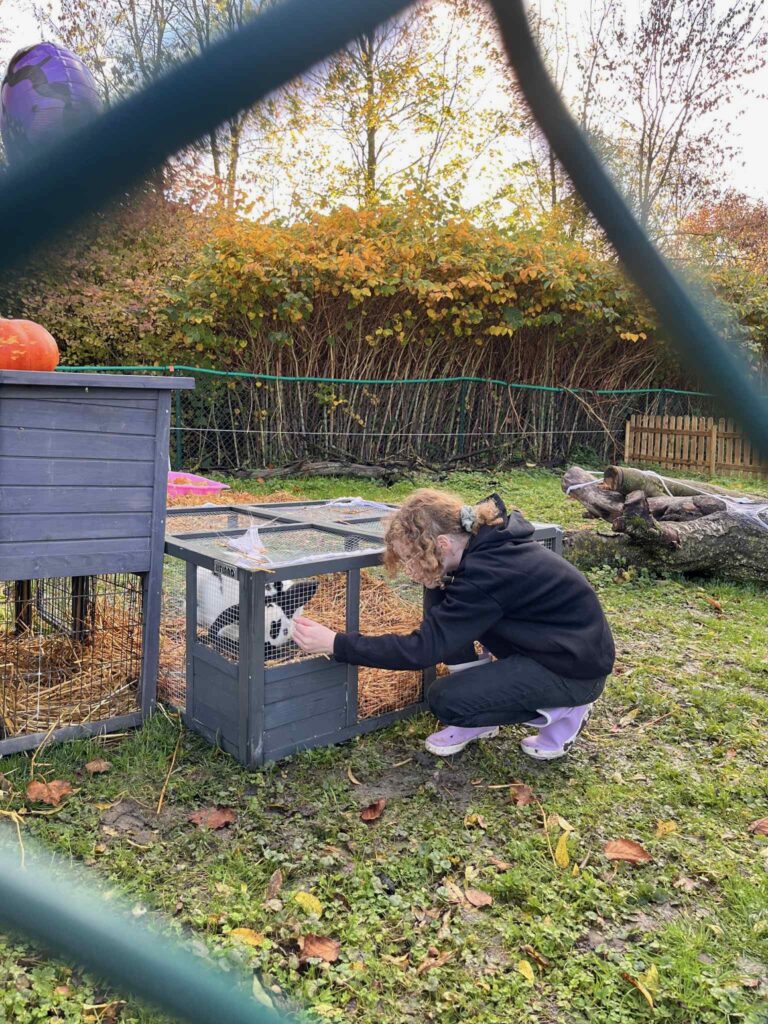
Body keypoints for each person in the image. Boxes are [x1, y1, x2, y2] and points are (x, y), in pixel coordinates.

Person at [292, 489, 614, 760]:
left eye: (411, 558)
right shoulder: (483, 545)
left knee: (446, 699)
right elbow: (447, 620)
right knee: (439, 588)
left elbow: (421, 650)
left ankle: (567, 709)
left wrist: (336, 643)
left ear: (443, 544)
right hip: (551, 643)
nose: (409, 568)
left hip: (574, 669)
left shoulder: (486, 575)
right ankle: (485, 710)